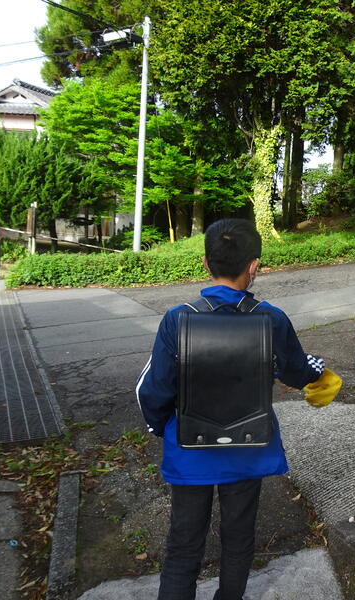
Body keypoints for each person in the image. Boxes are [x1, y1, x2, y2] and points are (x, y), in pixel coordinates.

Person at [136, 219, 340, 599]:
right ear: (254, 266)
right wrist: (319, 372)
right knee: (239, 537)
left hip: (191, 451)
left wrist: (162, 428)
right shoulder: (271, 318)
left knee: (183, 546)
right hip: (248, 447)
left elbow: (153, 390)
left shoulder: (178, 318)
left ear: (205, 262)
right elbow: (297, 371)